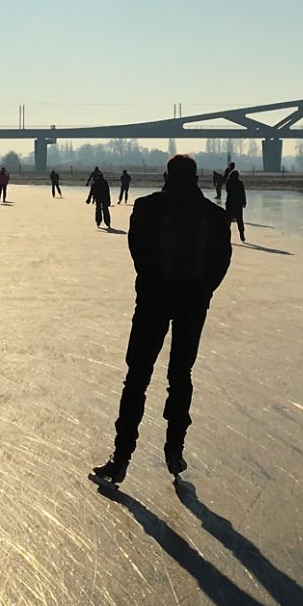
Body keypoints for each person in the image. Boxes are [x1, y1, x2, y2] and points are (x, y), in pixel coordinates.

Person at [90, 155, 234, 484]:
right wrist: (202, 293)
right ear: (196, 177)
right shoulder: (215, 216)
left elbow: (138, 253)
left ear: (167, 175)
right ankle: (175, 450)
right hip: (192, 306)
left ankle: (121, 458)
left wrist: (155, 284)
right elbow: (221, 261)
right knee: (180, 376)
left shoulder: (146, 208)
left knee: (137, 379)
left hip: (152, 303)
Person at [223, 163, 248, 242]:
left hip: (230, 202)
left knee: (228, 220)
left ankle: (227, 235)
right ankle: (242, 235)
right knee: (239, 219)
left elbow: (228, 191)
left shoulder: (228, 183)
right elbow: (242, 193)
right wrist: (244, 202)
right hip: (238, 203)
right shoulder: (240, 183)